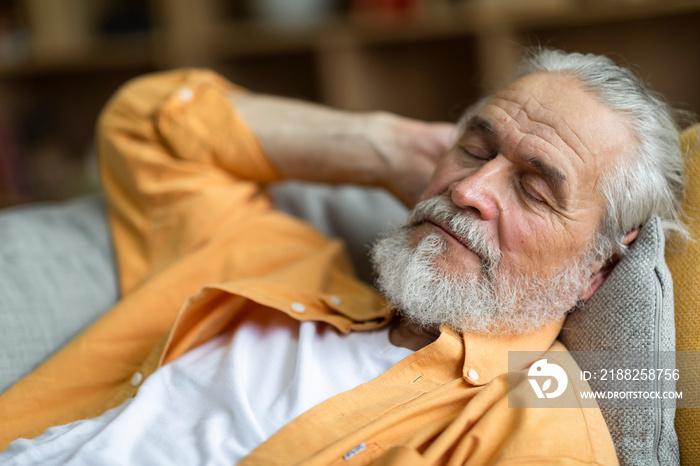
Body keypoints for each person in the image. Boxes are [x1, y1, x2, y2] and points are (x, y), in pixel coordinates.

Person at [0, 48, 685, 465]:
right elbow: (150, 126)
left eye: (534, 189)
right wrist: (387, 147)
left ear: (597, 267)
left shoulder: (533, 431)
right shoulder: (276, 255)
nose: (469, 190)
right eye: (474, 148)